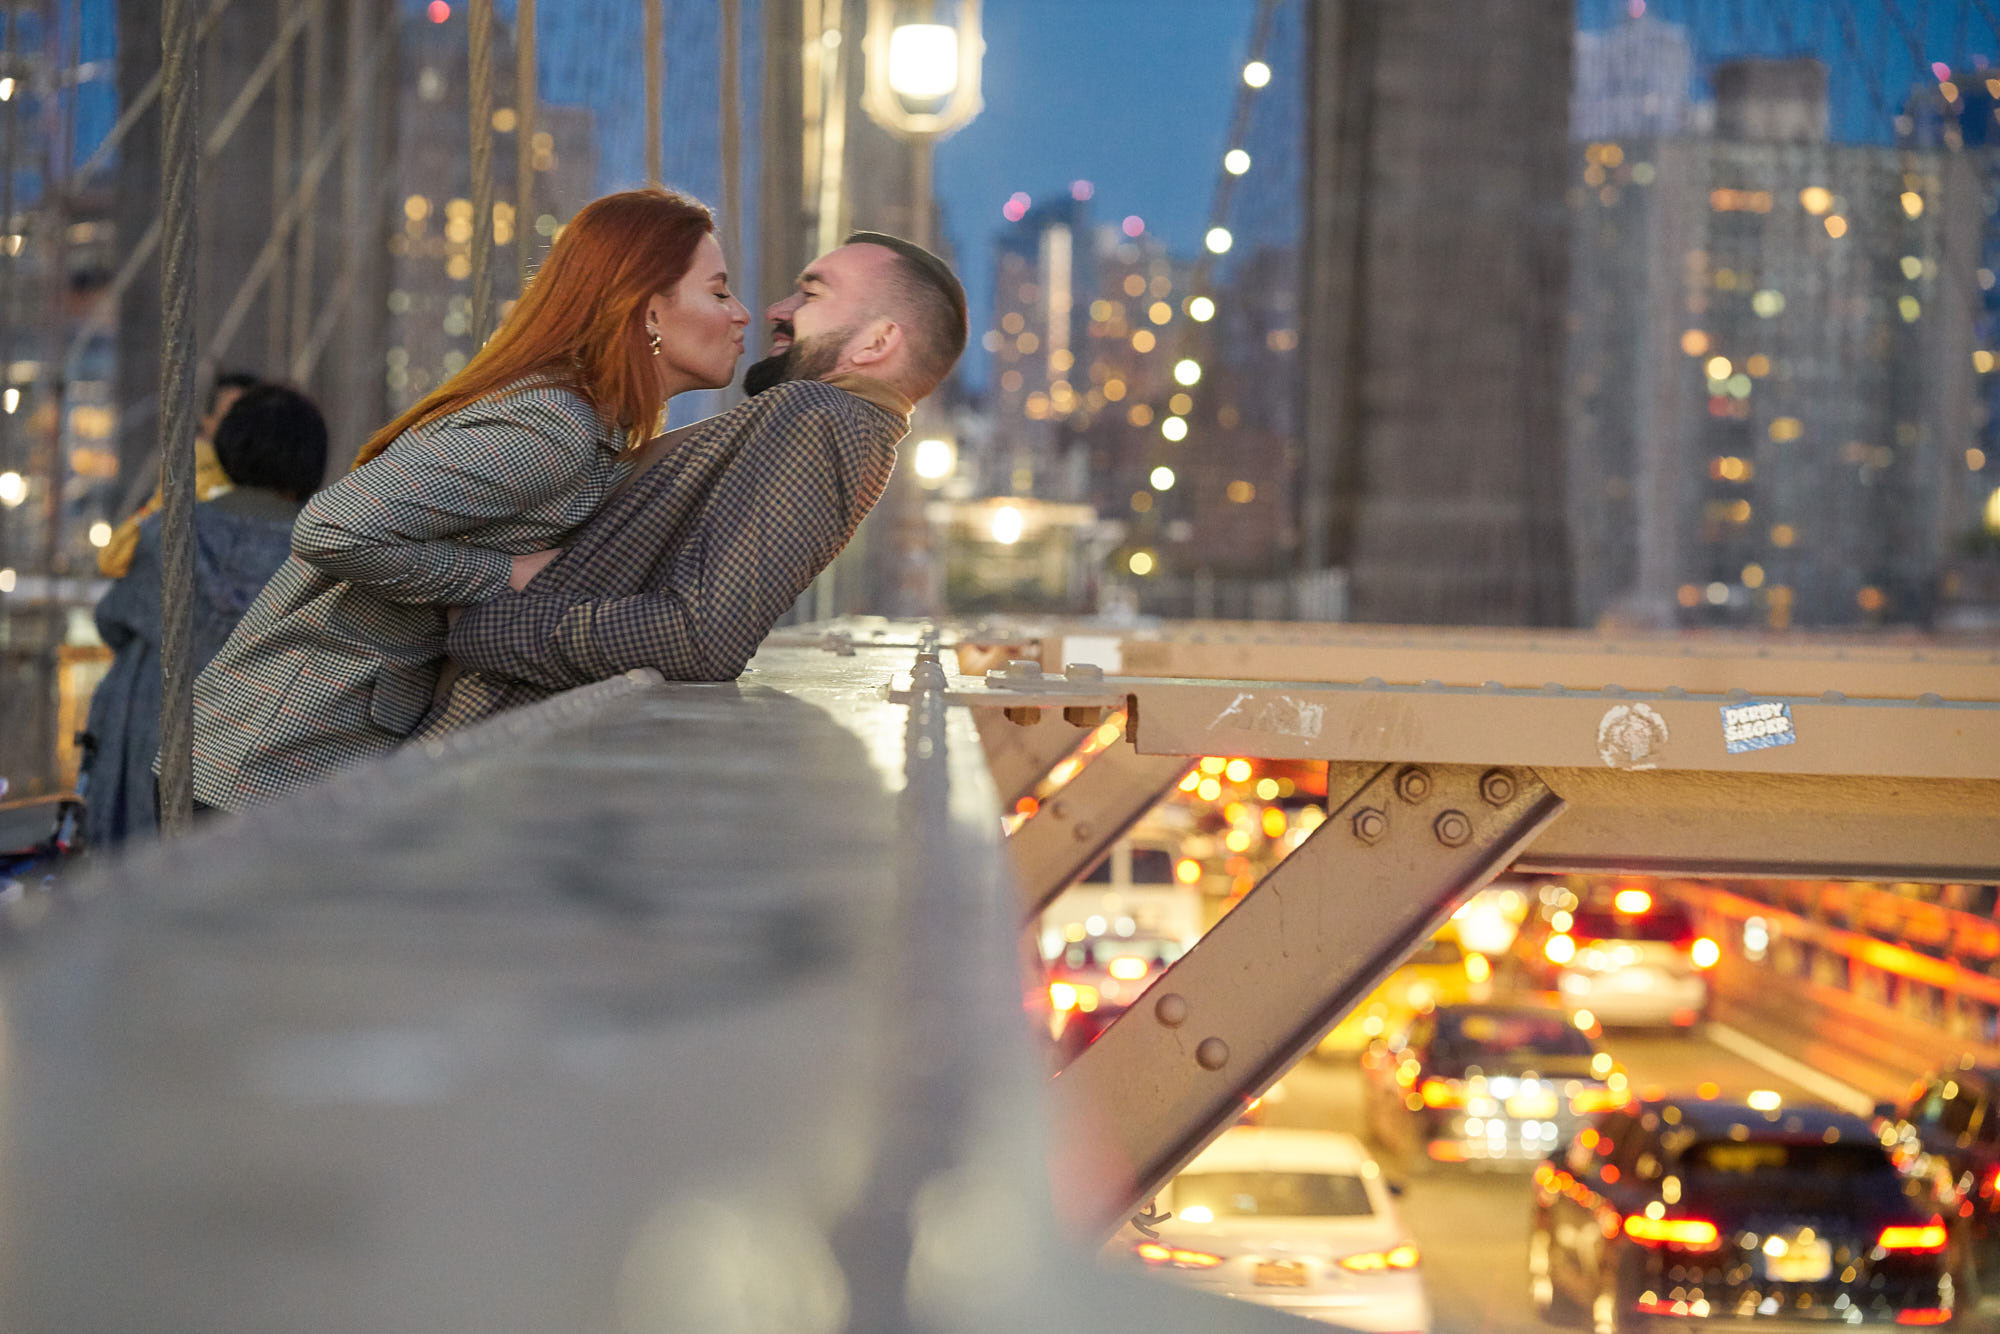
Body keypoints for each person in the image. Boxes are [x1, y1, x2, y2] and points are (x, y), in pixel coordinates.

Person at [186, 188, 749, 809]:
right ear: (648, 312)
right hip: (266, 762)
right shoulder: (552, 427)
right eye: (720, 292)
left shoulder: (591, 434)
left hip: (305, 760)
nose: (741, 313)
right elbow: (332, 529)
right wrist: (502, 573)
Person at [416, 230, 967, 735]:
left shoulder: (819, 416)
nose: (778, 310)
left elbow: (702, 637)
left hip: (493, 737)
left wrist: (484, 623)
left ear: (876, 343)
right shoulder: (840, 427)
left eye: (812, 295)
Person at [81, 385, 329, 846]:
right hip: (264, 758)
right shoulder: (324, 552)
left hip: (155, 743)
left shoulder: (169, 531)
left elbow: (114, 620)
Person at [97, 370, 261, 579]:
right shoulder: (188, 483)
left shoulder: (274, 487)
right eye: (233, 416)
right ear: (208, 422)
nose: (245, 429)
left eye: (252, 418)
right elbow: (113, 559)